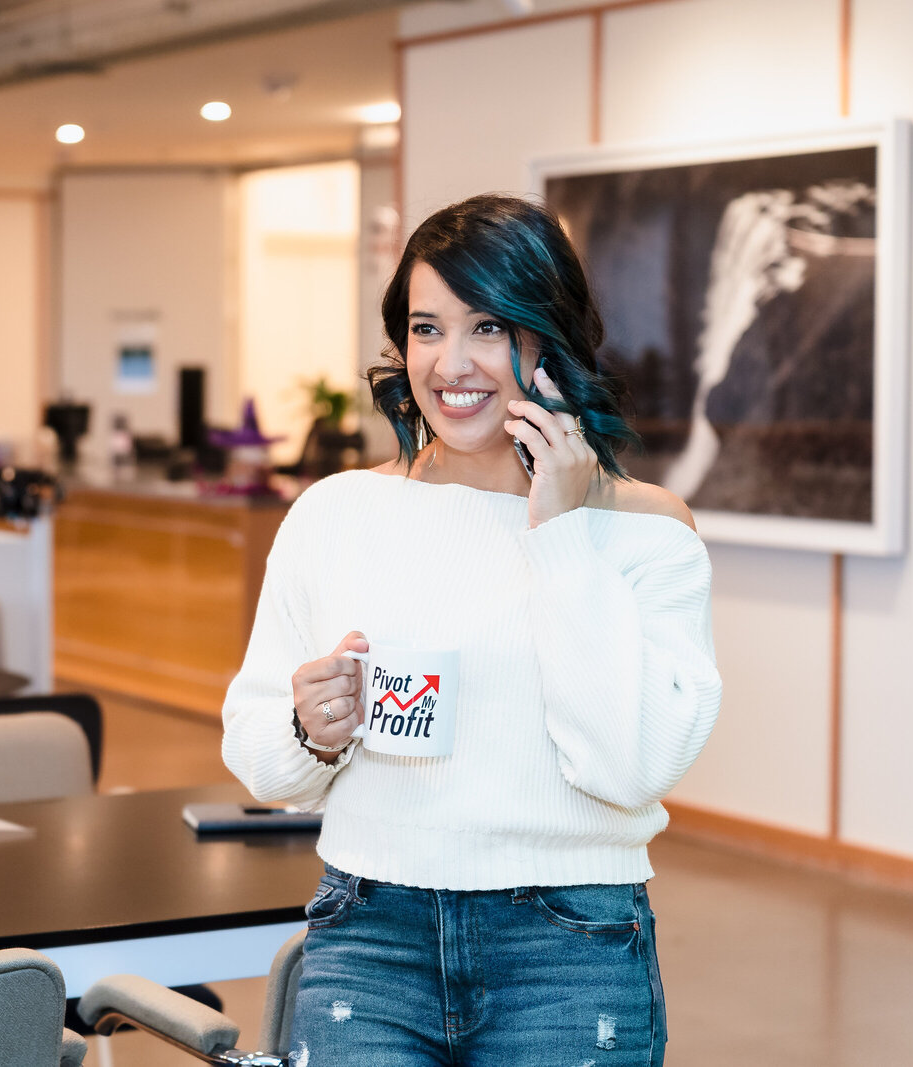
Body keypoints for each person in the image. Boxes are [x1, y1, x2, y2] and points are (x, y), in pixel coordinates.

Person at [221, 193, 721, 1067]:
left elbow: (632, 763)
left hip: (568, 946)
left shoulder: (646, 531)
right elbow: (262, 760)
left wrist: (561, 531)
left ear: (548, 339)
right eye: (426, 327)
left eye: (488, 326)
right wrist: (310, 727)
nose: (451, 362)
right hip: (371, 933)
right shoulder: (335, 514)